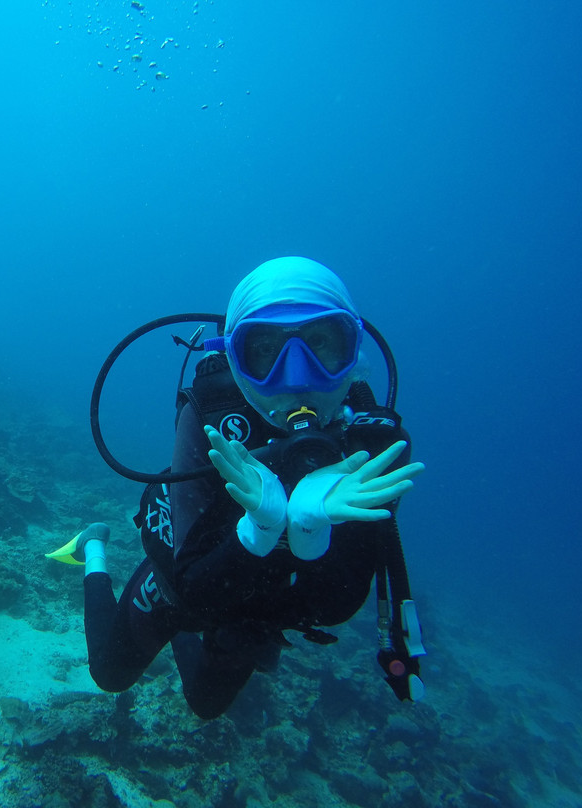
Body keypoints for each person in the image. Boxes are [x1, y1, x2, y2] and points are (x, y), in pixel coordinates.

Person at [48, 256, 426, 719]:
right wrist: (259, 526)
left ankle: (204, 630)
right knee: (110, 673)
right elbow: (190, 586)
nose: (296, 376)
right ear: (232, 357)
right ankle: (94, 547)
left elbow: (334, 603)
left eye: (322, 343)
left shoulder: (373, 443)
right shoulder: (210, 414)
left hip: (254, 601)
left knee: (206, 703)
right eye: (264, 350)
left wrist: (309, 528)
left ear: (353, 355)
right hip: (187, 572)